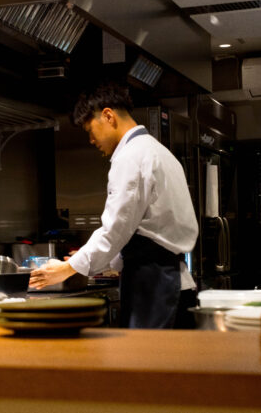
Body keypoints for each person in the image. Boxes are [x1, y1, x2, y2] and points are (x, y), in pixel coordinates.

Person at [29, 82, 198, 328]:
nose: (91, 140)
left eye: (90, 130)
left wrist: (67, 268)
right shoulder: (159, 152)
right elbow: (141, 230)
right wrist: (96, 257)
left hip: (152, 286)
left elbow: (115, 230)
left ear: (108, 116)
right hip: (173, 283)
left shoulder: (131, 157)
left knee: (147, 365)